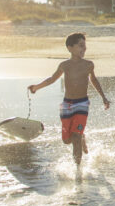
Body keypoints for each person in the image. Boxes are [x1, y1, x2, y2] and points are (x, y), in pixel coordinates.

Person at [28, 32, 110, 165]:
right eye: (80, 46)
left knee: (75, 137)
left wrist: (104, 98)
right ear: (69, 48)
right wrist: (36, 87)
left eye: (85, 46)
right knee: (67, 140)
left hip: (82, 104)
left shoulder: (88, 64)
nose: (84, 48)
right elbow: (51, 79)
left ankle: (78, 172)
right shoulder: (64, 65)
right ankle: (81, 136)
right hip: (67, 105)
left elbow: (94, 80)